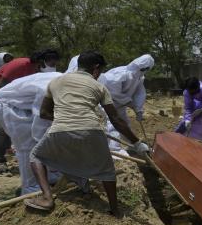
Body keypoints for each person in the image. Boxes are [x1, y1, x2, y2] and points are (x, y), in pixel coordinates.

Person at [24, 51, 149, 216]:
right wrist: (137, 143)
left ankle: (47, 198)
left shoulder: (56, 82)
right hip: (92, 130)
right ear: (96, 69)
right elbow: (116, 119)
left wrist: (66, 118)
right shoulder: (99, 87)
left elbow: (44, 113)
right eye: (101, 71)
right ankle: (115, 209)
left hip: (60, 129)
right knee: (107, 171)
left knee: (36, 156)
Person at [0, 49, 60, 174]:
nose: (53, 67)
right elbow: (1, 85)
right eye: (51, 64)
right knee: (0, 129)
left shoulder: (39, 72)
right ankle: (0, 162)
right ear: (41, 62)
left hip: (17, 98)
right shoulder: (20, 64)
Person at [0, 72, 64, 194]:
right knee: (28, 146)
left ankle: (51, 174)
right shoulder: (49, 88)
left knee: (49, 139)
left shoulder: (72, 84)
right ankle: (30, 187)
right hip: (8, 104)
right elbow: (41, 120)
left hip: (26, 105)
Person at [98, 54, 154, 154]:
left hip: (120, 104)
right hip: (108, 103)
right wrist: (129, 102)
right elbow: (112, 91)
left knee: (124, 123)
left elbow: (139, 92)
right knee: (112, 124)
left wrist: (138, 108)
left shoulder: (139, 77)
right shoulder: (119, 74)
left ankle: (133, 145)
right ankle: (114, 149)